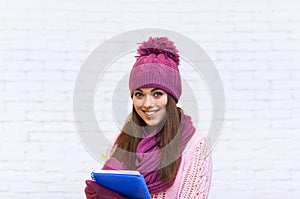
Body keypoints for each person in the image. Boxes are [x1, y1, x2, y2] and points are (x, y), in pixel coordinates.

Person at [85, 37, 212, 199]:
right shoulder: (119, 141)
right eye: (139, 94)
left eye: (157, 93)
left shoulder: (196, 145)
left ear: (171, 98)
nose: (147, 104)